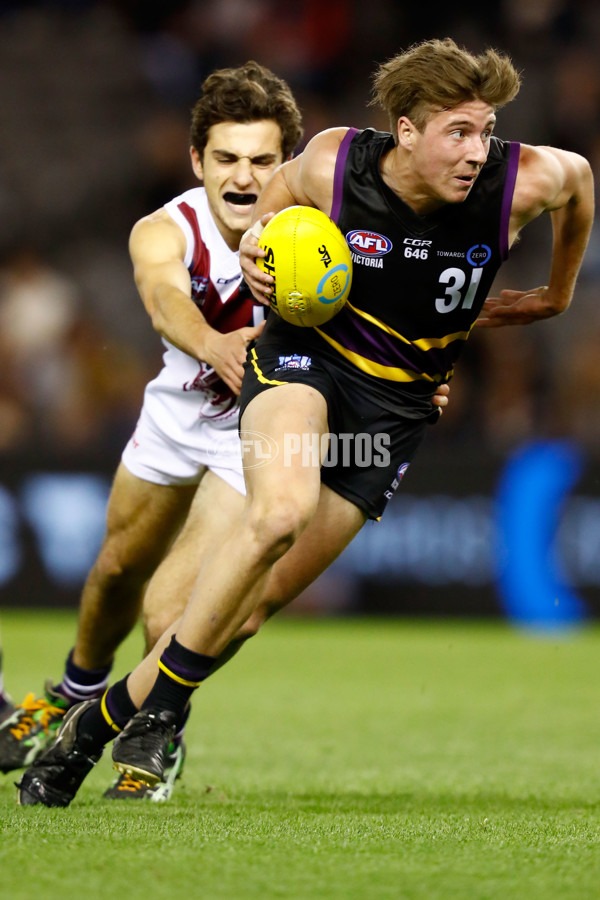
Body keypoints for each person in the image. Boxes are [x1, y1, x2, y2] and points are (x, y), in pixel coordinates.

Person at [20, 35, 589, 809]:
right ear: (407, 128)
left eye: (485, 131)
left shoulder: (523, 180)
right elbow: (266, 219)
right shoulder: (332, 163)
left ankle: (93, 726)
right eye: (458, 131)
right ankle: (94, 725)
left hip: (393, 415)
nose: (476, 151)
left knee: (244, 614)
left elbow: (581, 183)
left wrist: (555, 293)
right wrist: (258, 252)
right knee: (277, 514)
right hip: (304, 365)